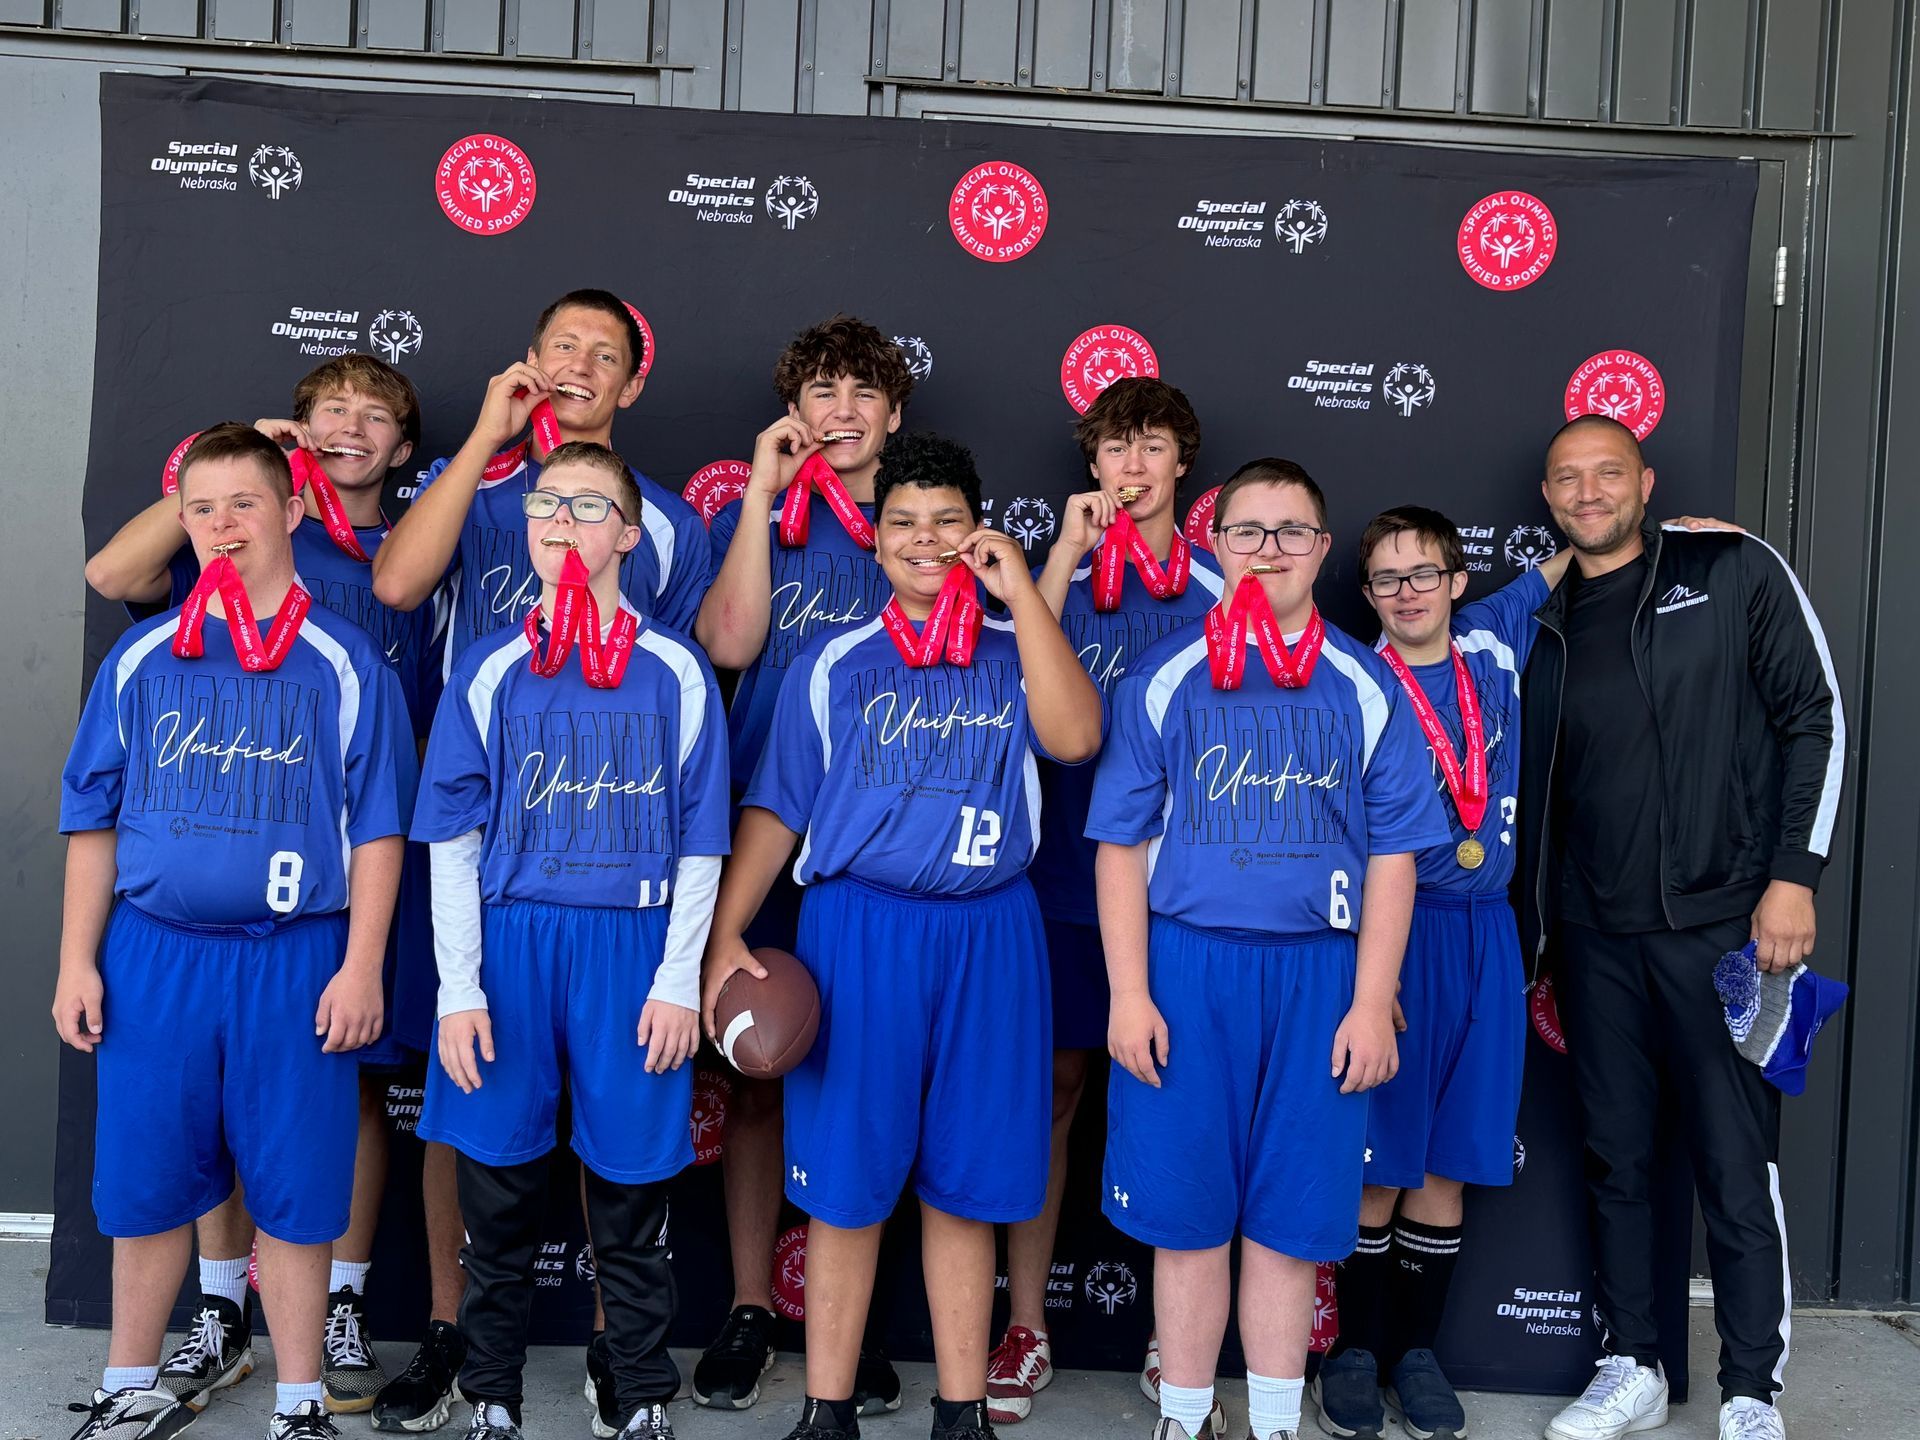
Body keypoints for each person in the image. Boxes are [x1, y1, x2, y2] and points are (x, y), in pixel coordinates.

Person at [83, 355, 470, 1425]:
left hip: (334, 875)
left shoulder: (415, 549)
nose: (350, 426)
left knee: (328, 1106)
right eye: (327, 411)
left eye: (375, 414)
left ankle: (333, 1310)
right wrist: (228, 478)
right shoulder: (221, 560)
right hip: (193, 907)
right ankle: (218, 1310)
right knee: (193, 1120)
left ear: (402, 443)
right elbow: (115, 576)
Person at [701, 432, 1104, 1440]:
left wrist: (1023, 594)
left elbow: (1076, 737)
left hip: (988, 932)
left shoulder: (1020, 650)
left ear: (980, 534)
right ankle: (826, 1408)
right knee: (844, 1186)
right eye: (903, 524)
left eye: (948, 523)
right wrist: (722, 934)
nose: (925, 540)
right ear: (875, 543)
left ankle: (960, 1412)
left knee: (964, 1187)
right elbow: (777, 809)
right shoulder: (832, 661)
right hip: (860, 929)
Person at [1089, 459, 1451, 1440]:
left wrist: (1373, 1001)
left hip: (1317, 978)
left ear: (1323, 551)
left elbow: (1394, 858)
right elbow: (1119, 845)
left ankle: (1279, 1422)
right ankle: (1188, 1415)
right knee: (1189, 1215)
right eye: (1248, 531)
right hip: (1187, 966)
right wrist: (1129, 993)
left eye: (1293, 532)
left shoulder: (1365, 684)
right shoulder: (1166, 678)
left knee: (1291, 1225)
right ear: (1218, 545)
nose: (1269, 550)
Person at [1519, 416, 1844, 1440]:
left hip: (1726, 929)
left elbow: (1814, 714)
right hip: (1591, 936)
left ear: (1645, 481)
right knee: (1617, 1160)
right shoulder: (1540, 614)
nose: (1588, 491)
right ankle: (1634, 1363)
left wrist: (1793, 878)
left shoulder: (1733, 566)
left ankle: (1753, 1389)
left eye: (1607, 472)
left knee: (1735, 1161)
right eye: (1568, 478)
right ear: (1547, 495)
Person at [412, 441, 730, 1440]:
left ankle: (637, 1395)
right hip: (509, 947)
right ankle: (492, 1396)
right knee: (496, 1199)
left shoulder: (676, 670)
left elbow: (699, 845)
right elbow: (453, 840)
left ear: (629, 537)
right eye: (547, 503)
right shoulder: (490, 664)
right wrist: (458, 988)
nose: (562, 521)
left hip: (631, 947)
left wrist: (678, 980)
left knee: (632, 1199)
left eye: (590, 507)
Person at [987, 377, 1223, 1427]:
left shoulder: (1223, 587)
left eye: (1152, 449)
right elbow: (1018, 708)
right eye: (1114, 450)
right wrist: (1068, 560)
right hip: (1055, 879)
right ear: (1091, 466)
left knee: (1179, 1097)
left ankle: (1178, 1337)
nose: (1132, 469)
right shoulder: (1053, 577)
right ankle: (1028, 1323)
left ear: (1183, 467)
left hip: (1181, 894)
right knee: (1050, 1094)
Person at [688, 316, 912, 1414]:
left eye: (864, 392)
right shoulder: (767, 517)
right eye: (822, 391)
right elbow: (729, 645)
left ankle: (846, 1319)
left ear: (894, 415)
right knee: (756, 1075)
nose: (843, 410)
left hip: (874, 853)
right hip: (759, 836)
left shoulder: (921, 533)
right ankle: (746, 1305)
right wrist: (759, 504)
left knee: (863, 1083)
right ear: (795, 413)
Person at [1314, 507, 1570, 1440]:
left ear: (1460, 584)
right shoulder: (1351, 680)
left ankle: (1414, 1352)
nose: (1408, 592)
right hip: (1394, 934)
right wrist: (1366, 983)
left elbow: (1579, 550)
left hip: (1486, 934)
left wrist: (1680, 538)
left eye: (1425, 574)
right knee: (1378, 1163)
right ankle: (1352, 1352)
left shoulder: (1495, 644)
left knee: (1451, 1163)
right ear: (1367, 593)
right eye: (1387, 578)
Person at [372, 288, 708, 665]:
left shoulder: (672, 524)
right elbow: (395, 588)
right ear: (533, 361)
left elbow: (669, 668)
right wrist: (486, 436)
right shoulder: (469, 480)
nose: (581, 366)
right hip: (478, 720)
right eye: (565, 346)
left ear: (630, 387)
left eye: (605, 356)